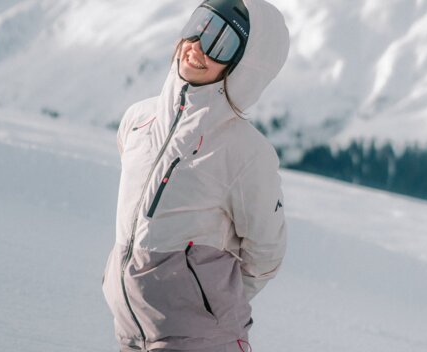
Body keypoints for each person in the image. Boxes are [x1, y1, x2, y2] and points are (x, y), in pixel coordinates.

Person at [101, 0, 289, 351]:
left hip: (200, 338)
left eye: (221, 42)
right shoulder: (139, 120)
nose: (198, 46)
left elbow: (266, 253)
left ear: (243, 66)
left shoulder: (246, 153)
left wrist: (208, 300)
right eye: (200, 25)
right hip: (130, 327)